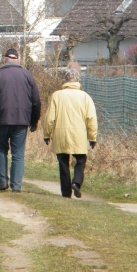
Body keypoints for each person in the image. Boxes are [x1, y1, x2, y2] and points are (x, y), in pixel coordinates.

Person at [0, 48, 41, 192]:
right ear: (19, 60)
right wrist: (34, 121)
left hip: (2, 119)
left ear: (4, 60)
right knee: (18, 154)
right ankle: (16, 186)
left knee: (1, 150)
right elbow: (36, 101)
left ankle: (2, 181)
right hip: (22, 121)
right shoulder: (27, 75)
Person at [42, 66, 97, 198]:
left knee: (63, 162)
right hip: (79, 135)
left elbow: (49, 118)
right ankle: (77, 183)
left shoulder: (56, 96)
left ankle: (66, 192)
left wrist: (47, 134)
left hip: (61, 135)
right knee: (81, 160)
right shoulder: (85, 97)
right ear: (78, 80)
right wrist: (92, 137)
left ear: (65, 80)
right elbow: (91, 118)